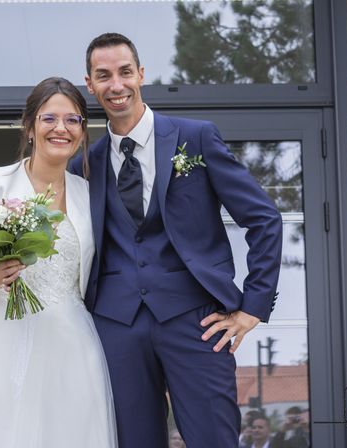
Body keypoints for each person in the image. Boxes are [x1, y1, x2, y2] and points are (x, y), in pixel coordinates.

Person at [69, 32, 283, 448]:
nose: (116, 85)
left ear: (141, 74)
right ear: (90, 84)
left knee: (214, 439)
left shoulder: (196, 137)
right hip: (116, 326)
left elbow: (264, 219)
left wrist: (252, 308)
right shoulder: (85, 164)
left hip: (197, 322)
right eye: (103, 75)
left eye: (125, 72)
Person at [0, 77, 117, 448]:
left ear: (81, 131)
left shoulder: (92, 194)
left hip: (73, 341)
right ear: (29, 127)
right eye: (49, 119)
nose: (61, 128)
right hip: (4, 339)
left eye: (73, 120)